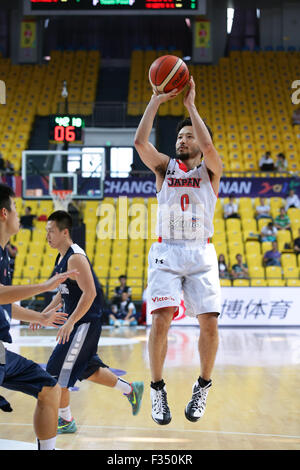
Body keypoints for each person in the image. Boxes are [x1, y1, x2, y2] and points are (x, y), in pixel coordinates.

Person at [134, 76, 222, 425]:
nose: (182, 140)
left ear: (199, 144)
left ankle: (202, 386)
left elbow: (212, 149)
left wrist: (190, 107)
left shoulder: (210, 171)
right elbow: (140, 141)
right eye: (179, 137)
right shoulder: (164, 168)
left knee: (210, 325)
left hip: (201, 252)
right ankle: (158, 390)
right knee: (160, 320)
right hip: (166, 251)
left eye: (188, 136)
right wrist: (156, 99)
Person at [40, 210, 144, 434]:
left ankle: (66, 421)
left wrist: (70, 322)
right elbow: (64, 291)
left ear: (64, 232)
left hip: (84, 323)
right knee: (88, 368)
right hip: (78, 323)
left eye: (51, 231)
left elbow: (89, 294)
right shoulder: (61, 257)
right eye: (46, 232)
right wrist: (44, 314)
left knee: (56, 373)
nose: (47, 236)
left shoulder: (75, 257)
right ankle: (131, 390)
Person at [0, 182, 78, 450]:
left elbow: (5, 305)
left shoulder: (4, 255)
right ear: (3, 214)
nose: (20, 215)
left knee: (49, 389)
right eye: (16, 208)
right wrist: (46, 286)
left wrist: (41, 317)